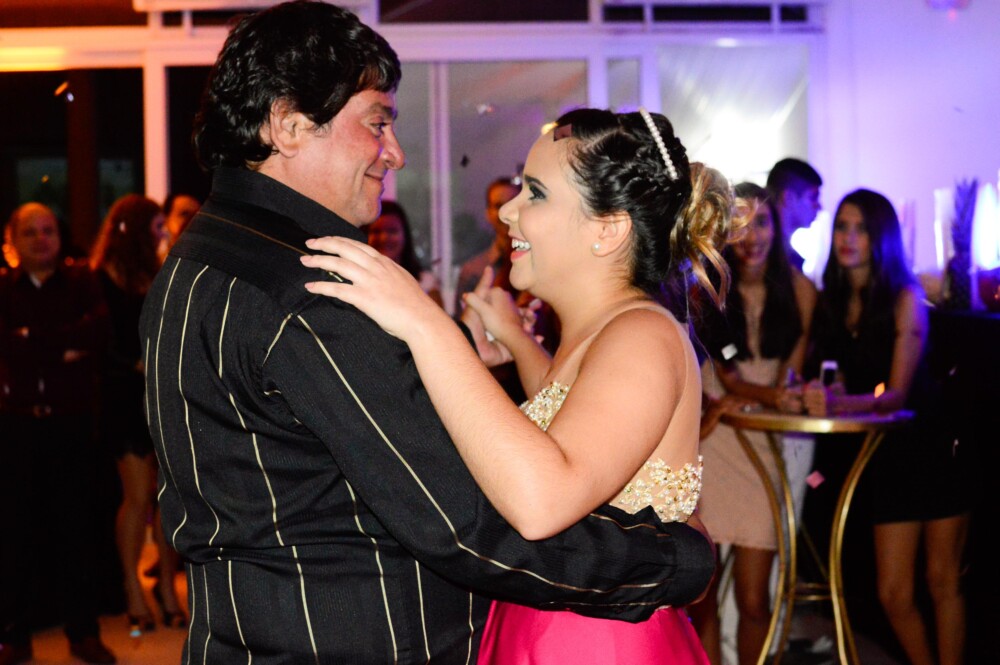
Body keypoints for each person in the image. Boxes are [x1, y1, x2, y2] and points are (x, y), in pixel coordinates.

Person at [139, 3, 714, 663]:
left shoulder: (199, 258)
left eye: (535, 193)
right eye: (377, 122)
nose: (396, 152)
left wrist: (451, 346)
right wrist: (674, 562)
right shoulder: (316, 290)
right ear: (290, 124)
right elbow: (465, 525)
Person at [302, 106, 736, 663]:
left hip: (596, 647)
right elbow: (565, 413)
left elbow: (543, 500)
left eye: (535, 193)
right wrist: (513, 338)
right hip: (545, 631)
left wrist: (428, 327)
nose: (508, 210)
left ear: (607, 229)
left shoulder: (643, 336)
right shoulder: (607, 331)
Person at [802, 189, 972, 665]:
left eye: (861, 229)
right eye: (842, 226)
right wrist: (815, 391)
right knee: (893, 593)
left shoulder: (906, 297)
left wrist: (839, 401)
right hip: (885, 456)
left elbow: (895, 393)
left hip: (933, 447)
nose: (848, 237)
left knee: (942, 581)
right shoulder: (832, 302)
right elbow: (833, 376)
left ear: (882, 237)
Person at [687, 183, 817, 665]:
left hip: (764, 441)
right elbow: (727, 376)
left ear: (776, 228)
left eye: (761, 222)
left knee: (755, 599)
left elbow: (791, 377)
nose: (752, 235)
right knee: (702, 597)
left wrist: (783, 397)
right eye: (739, 225)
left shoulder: (800, 290)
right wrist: (771, 398)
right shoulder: (708, 289)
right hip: (715, 436)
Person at [0, 203, 116, 665]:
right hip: (17, 425)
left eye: (48, 230)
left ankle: (83, 633)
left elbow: (99, 333)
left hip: (71, 424)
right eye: (30, 232)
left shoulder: (82, 282)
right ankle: (14, 635)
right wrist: (62, 343)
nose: (41, 239)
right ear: (12, 241)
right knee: (14, 532)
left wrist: (32, 340)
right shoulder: (4, 288)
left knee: (76, 530)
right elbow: (7, 346)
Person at [89, 194, 186, 636]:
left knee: (168, 497)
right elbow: (101, 345)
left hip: (161, 395)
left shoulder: (161, 271)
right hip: (124, 397)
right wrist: (136, 363)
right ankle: (132, 588)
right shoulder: (101, 277)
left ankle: (167, 587)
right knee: (137, 497)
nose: (164, 233)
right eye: (157, 226)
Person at [453, 176, 520, 310]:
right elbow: (463, 320)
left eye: (512, 203)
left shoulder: (542, 264)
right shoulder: (472, 272)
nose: (506, 212)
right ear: (488, 214)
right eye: (499, 206)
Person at [365, 199, 443, 306]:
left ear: (405, 235)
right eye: (376, 231)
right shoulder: (356, 278)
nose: (383, 238)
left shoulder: (426, 283)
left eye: (392, 231)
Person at [765, 157, 822, 273]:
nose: (819, 206)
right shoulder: (762, 254)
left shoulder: (785, 255)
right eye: (813, 197)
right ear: (788, 198)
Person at [157, 193, 201, 261]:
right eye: (185, 214)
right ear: (166, 219)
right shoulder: (156, 264)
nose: (193, 219)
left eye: (197, 214)